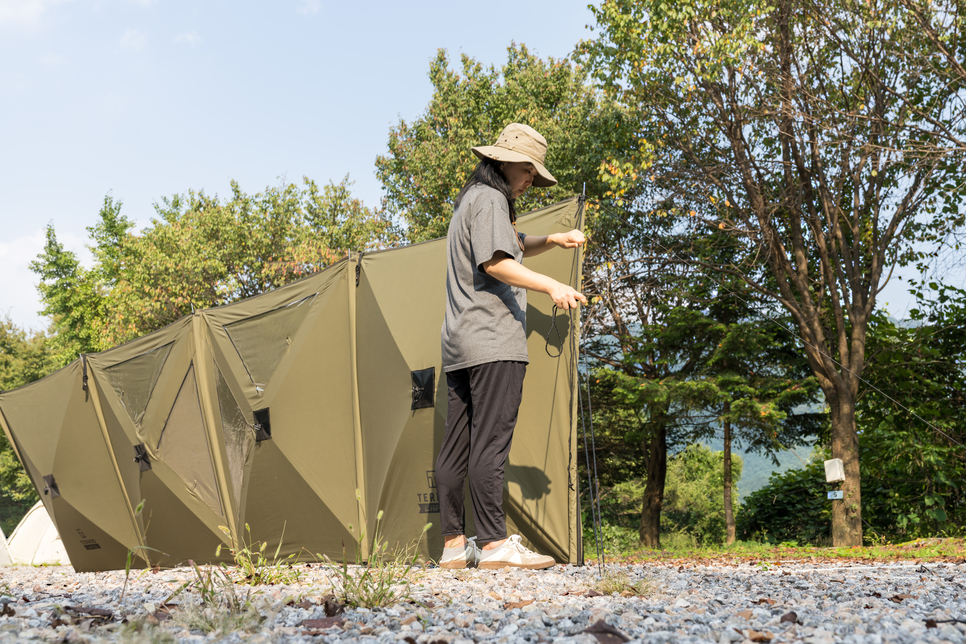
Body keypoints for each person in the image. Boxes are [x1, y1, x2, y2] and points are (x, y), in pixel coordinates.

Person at [435, 123, 587, 570]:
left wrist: (554, 240)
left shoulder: (470, 201)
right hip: (494, 341)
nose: (529, 181)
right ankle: (495, 544)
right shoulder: (492, 198)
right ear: (502, 161)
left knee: (455, 446)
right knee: (490, 444)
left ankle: (452, 546)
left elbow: (513, 244)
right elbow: (498, 261)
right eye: (527, 170)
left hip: (459, 342)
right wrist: (552, 286)